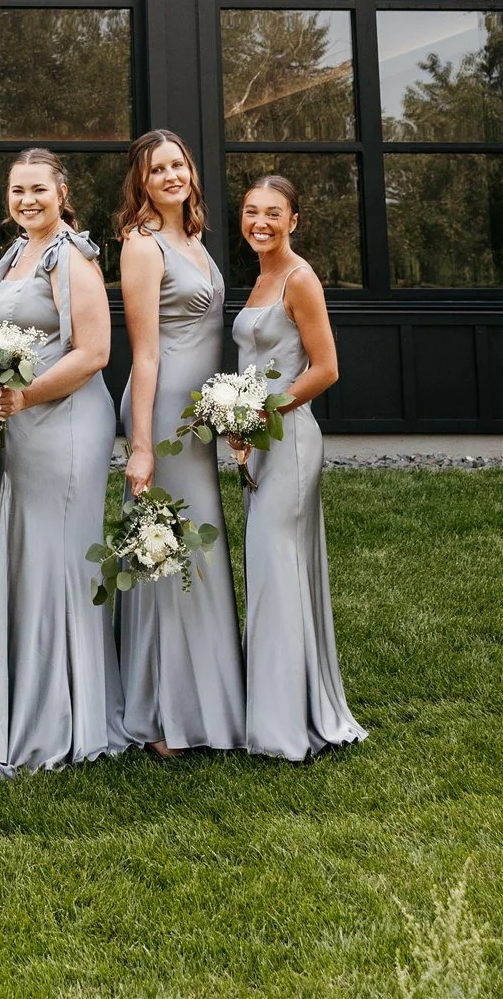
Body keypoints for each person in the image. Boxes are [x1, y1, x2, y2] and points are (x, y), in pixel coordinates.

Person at [0, 149, 127, 775]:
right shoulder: (16, 255)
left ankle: (68, 718)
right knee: (32, 557)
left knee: (62, 560)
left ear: (62, 191)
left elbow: (95, 351)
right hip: (25, 427)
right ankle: (31, 704)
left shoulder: (71, 254)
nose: (27, 200)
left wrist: (25, 394)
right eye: (18, 190)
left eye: (38, 189)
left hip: (66, 422)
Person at [116, 130, 245, 755]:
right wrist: (141, 444)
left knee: (201, 547)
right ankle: (166, 716)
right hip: (163, 416)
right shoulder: (142, 245)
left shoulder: (193, 238)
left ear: (190, 172)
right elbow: (144, 355)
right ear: (141, 182)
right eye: (157, 169)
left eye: (178, 165)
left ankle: (211, 703)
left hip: (199, 419)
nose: (170, 175)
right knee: (172, 551)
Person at [232, 175, 367, 761]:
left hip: (287, 440)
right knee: (268, 571)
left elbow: (326, 368)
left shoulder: (299, 277)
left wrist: (262, 411)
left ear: (295, 220)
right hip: (258, 438)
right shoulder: (261, 277)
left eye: (273, 213)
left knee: (277, 568)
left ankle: (286, 727)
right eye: (251, 211)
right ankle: (278, 706)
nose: (260, 222)